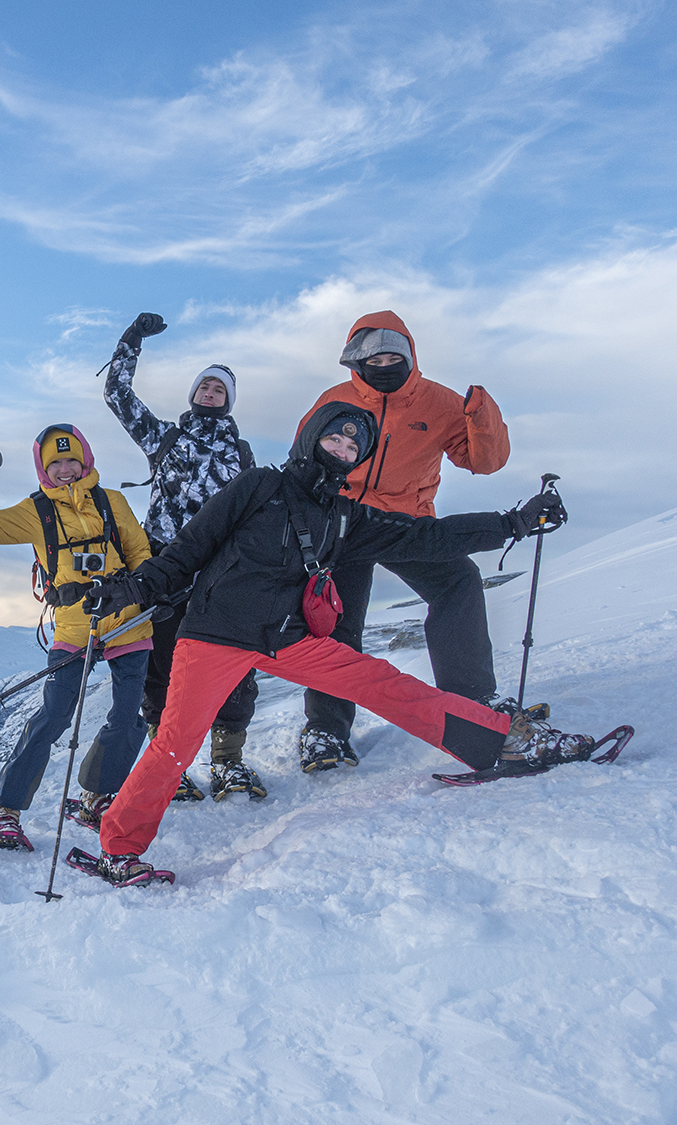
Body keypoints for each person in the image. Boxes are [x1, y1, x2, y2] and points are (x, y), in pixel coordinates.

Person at [75, 401, 587, 887]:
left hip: (290, 640)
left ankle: (504, 741)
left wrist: (512, 523)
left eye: (354, 444)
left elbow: (426, 537)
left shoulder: (346, 517)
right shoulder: (256, 487)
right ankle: (119, 849)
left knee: (385, 684)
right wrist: (131, 589)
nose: (343, 446)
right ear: (311, 435)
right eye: (336, 434)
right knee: (176, 743)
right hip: (215, 635)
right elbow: (187, 551)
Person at [293, 311, 511, 772]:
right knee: (336, 622)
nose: (385, 364)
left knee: (459, 583)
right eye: (375, 357)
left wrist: (480, 413)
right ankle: (325, 730)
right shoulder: (335, 399)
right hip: (344, 523)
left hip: (407, 524)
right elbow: (303, 457)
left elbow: (484, 462)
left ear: (410, 356)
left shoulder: (439, 401)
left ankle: (474, 706)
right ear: (357, 359)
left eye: (395, 356)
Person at [0, 425, 154, 850]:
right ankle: (6, 810)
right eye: (54, 462)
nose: (64, 469)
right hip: (76, 628)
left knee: (129, 715)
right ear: (43, 466)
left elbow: (140, 554)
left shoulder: (112, 502)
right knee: (54, 716)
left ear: (85, 461)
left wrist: (133, 590)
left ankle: (97, 795)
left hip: (130, 622)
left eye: (71, 460)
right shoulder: (36, 511)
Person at [103, 312, 264, 801]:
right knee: (163, 667)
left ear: (228, 400)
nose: (210, 393)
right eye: (205, 386)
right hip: (166, 565)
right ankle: (167, 764)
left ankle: (228, 762)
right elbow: (118, 396)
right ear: (194, 394)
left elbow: (256, 512)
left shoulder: (241, 453)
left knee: (234, 663)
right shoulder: (167, 438)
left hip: (219, 572)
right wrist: (131, 343)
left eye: (219, 389)